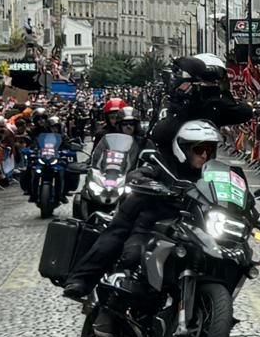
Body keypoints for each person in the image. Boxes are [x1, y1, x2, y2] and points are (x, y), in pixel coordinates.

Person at [62, 120, 221, 301]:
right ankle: (81, 280)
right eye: (199, 150)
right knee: (128, 249)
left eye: (210, 150)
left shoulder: (214, 175)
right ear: (183, 149)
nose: (205, 155)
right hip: (151, 221)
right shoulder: (164, 164)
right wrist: (148, 183)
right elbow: (140, 173)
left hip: (194, 225)